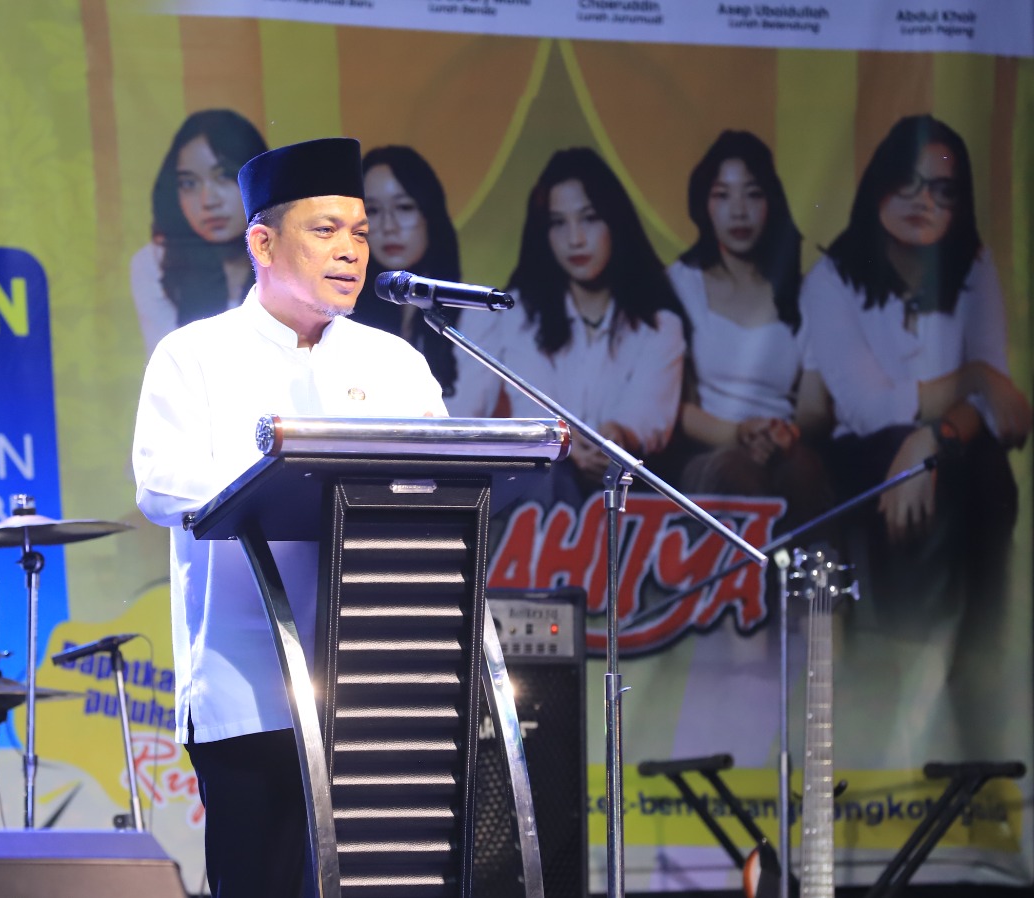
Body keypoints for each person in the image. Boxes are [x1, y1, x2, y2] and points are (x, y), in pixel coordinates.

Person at [131, 138, 446, 897]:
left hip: (379, 680)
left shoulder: (394, 362)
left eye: (360, 232)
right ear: (263, 244)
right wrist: (283, 478)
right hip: (248, 688)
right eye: (325, 230)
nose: (351, 251)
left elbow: (441, 483)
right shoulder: (194, 355)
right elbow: (160, 483)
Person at [799, 114, 1032, 616]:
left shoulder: (975, 266)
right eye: (908, 182)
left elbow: (1000, 412)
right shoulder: (830, 279)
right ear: (879, 184)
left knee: (987, 468)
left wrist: (932, 439)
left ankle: (982, 644)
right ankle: (897, 642)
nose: (923, 201)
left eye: (943, 191)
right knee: (897, 452)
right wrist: (974, 377)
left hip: (948, 446)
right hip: (861, 453)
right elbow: (869, 410)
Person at [450, 147, 686, 502]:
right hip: (555, 468)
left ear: (614, 221)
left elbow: (649, 412)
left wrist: (617, 436)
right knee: (545, 476)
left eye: (589, 218)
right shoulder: (522, 313)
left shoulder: (658, 322)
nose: (575, 239)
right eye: (558, 223)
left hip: (634, 473)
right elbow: (532, 405)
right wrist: (572, 445)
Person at [668, 131, 831, 524]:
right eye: (723, 195)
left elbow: (815, 407)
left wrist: (784, 435)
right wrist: (738, 433)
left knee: (803, 471)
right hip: (710, 448)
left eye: (752, 194)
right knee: (735, 472)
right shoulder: (680, 284)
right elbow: (675, 408)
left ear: (771, 201)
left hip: (785, 443)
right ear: (704, 204)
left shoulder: (803, 292)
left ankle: (812, 568)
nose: (738, 211)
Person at [130, 109, 267, 356]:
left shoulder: (291, 252)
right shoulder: (154, 263)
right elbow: (169, 365)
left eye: (223, 176)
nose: (208, 200)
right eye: (189, 183)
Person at [350, 145, 463, 396]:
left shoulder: (473, 318)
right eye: (373, 211)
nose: (389, 226)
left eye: (403, 207)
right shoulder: (342, 313)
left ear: (429, 214)